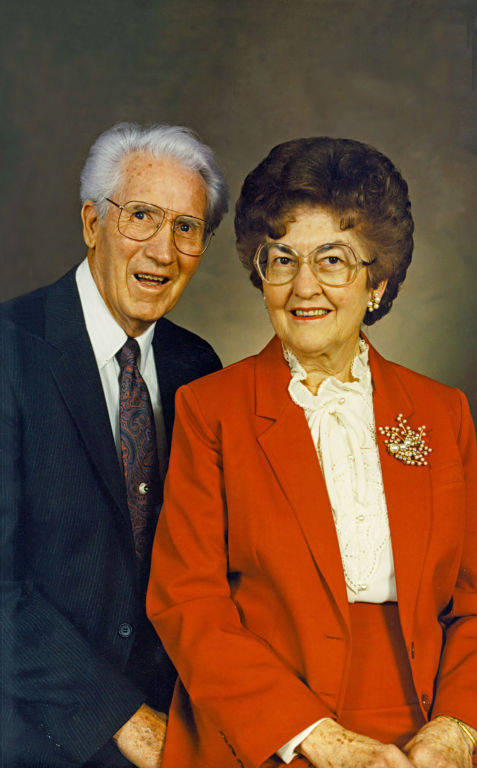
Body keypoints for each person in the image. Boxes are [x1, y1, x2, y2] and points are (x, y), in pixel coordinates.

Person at [147, 137, 477, 768]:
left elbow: (472, 600)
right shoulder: (210, 410)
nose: (305, 287)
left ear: (375, 279)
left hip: (427, 728)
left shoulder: (443, 413)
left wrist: (456, 728)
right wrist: (316, 738)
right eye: (282, 260)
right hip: (269, 733)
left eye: (332, 260)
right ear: (259, 271)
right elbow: (186, 601)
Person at [0, 121, 228, 768]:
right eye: (142, 217)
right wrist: (123, 720)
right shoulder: (9, 349)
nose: (164, 250)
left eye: (187, 228)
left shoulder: (197, 367)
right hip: (36, 731)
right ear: (92, 223)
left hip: (176, 723)